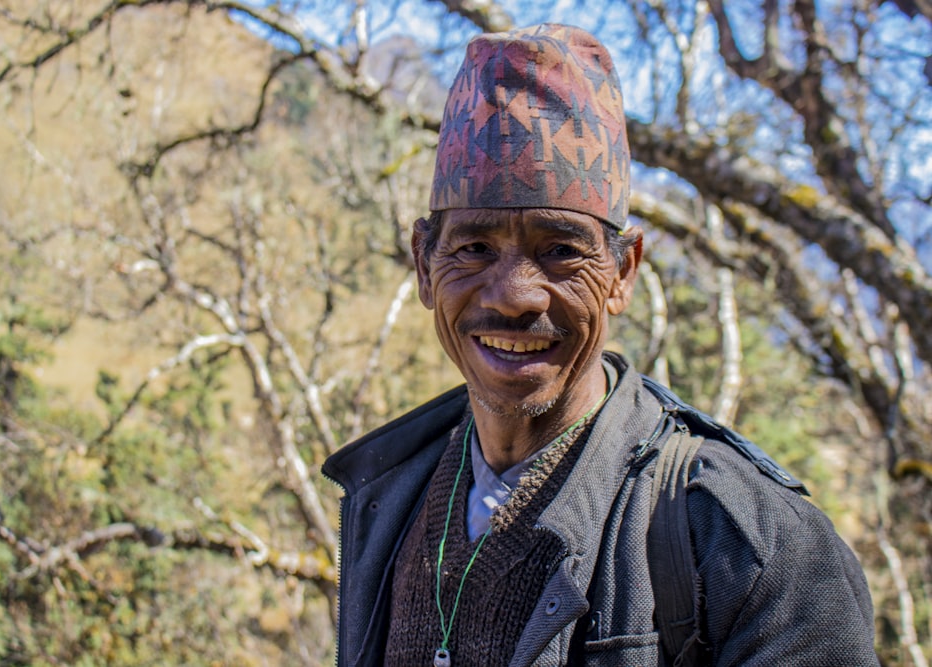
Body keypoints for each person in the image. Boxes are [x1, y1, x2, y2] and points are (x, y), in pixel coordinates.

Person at [322, 23, 877, 667]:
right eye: (474, 247)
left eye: (560, 250)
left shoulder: (752, 545)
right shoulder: (389, 500)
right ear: (424, 264)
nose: (514, 296)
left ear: (623, 273)